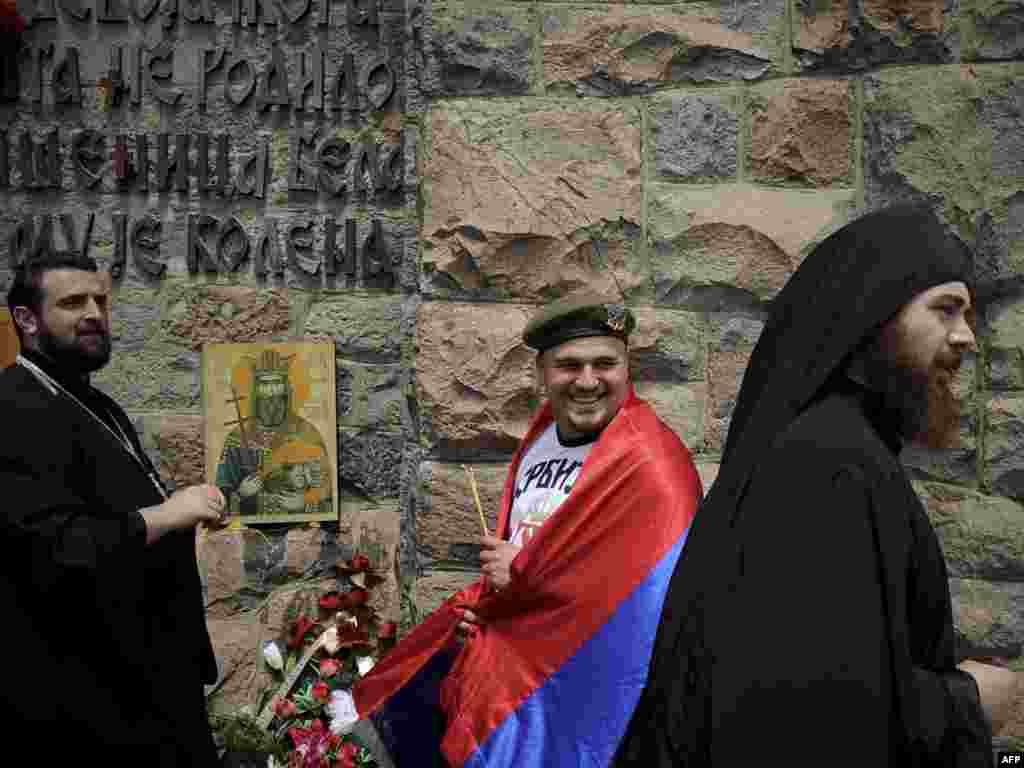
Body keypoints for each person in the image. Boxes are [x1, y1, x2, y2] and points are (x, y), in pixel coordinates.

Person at [614, 205, 1020, 767]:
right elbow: (805, 710)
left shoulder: (841, 448)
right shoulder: (827, 461)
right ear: (873, 318)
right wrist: (967, 705)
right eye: (945, 310)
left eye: (968, 314)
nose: (967, 337)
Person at [340, 294, 703, 767]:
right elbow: (531, 554)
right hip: (518, 671)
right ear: (542, 374)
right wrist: (493, 608)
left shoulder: (652, 462)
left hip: (594, 697)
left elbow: (656, 600)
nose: (588, 381)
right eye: (569, 365)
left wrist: (526, 580)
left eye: (605, 364)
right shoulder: (542, 435)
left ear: (627, 367)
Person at [1, 251, 228, 765]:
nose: (94, 314)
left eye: (101, 300)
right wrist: (170, 513)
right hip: (86, 700)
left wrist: (183, 512)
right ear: (26, 319)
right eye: (72, 302)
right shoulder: (10, 407)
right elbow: (58, 545)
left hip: (149, 679)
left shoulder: (92, 400)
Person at [214, 348, 333, 518]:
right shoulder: (237, 437)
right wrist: (240, 494)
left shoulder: (307, 433)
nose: (270, 392)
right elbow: (220, 500)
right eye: (264, 384)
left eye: (276, 383)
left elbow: (327, 493)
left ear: (286, 389)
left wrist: (305, 501)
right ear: (255, 390)